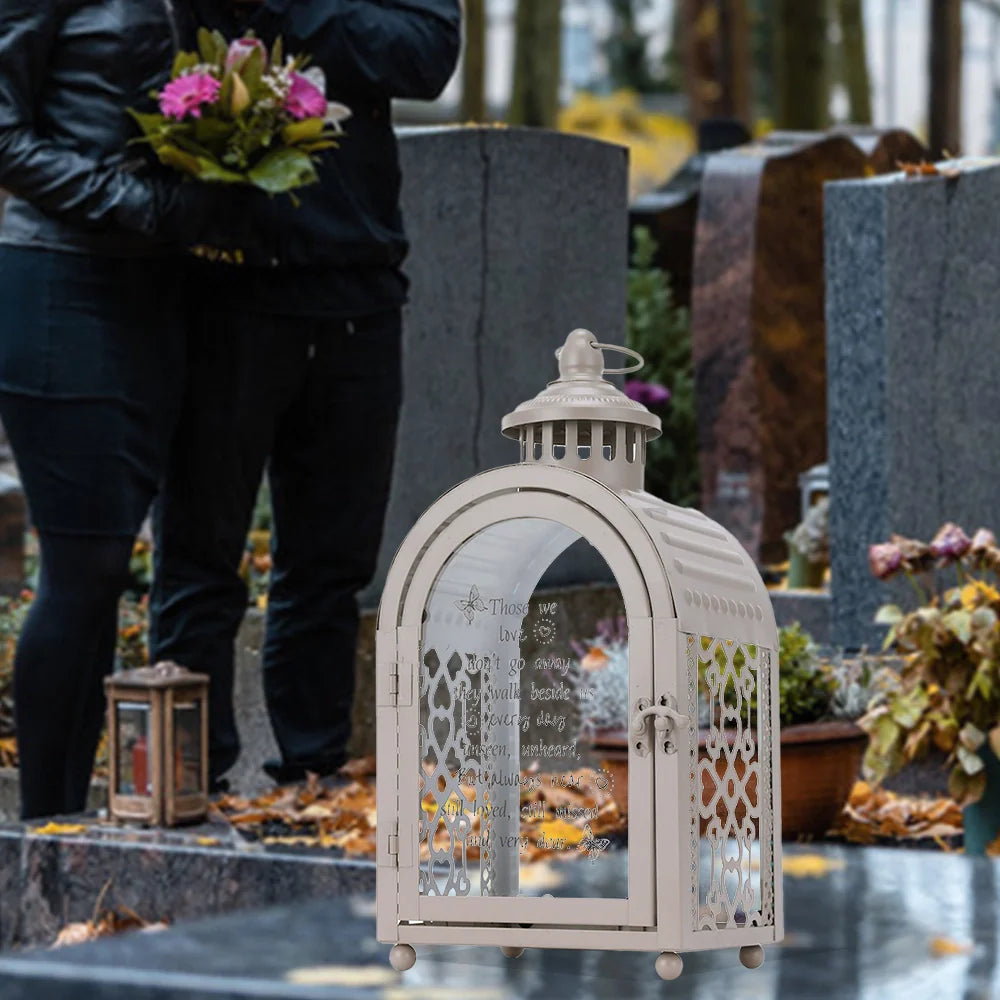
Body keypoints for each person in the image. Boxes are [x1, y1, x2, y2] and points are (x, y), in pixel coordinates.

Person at [150, 0, 462, 788]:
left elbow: (427, 55)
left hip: (357, 292)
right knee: (199, 560)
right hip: (222, 291)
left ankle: (313, 780)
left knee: (329, 568)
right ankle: (191, 788)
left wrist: (296, 8)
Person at [0, 1, 208, 817]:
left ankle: (72, 823)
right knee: (80, 566)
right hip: (57, 276)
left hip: (157, 289)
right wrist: (131, 202)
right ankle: (40, 833)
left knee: (107, 569)